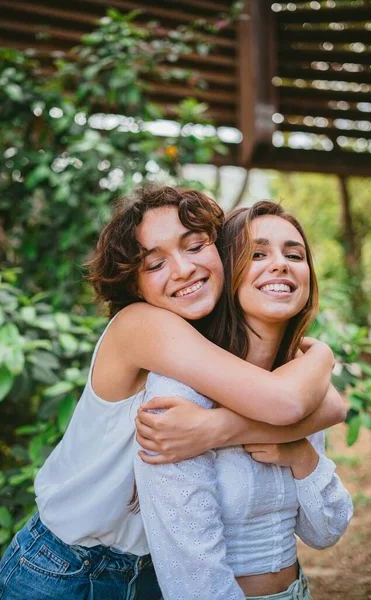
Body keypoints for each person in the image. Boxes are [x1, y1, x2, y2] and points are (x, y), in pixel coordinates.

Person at [0, 186, 344, 600]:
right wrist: (321, 355)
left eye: (195, 246)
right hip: (67, 568)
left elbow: (331, 405)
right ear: (134, 285)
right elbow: (290, 403)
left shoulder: (210, 341)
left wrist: (217, 429)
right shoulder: (144, 324)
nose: (183, 270)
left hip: (153, 573)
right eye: (155, 263)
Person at [134, 200, 353, 600]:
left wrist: (301, 456)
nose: (281, 264)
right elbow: (192, 575)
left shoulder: (299, 384)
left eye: (294, 254)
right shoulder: (178, 394)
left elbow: (326, 532)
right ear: (226, 271)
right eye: (257, 253)